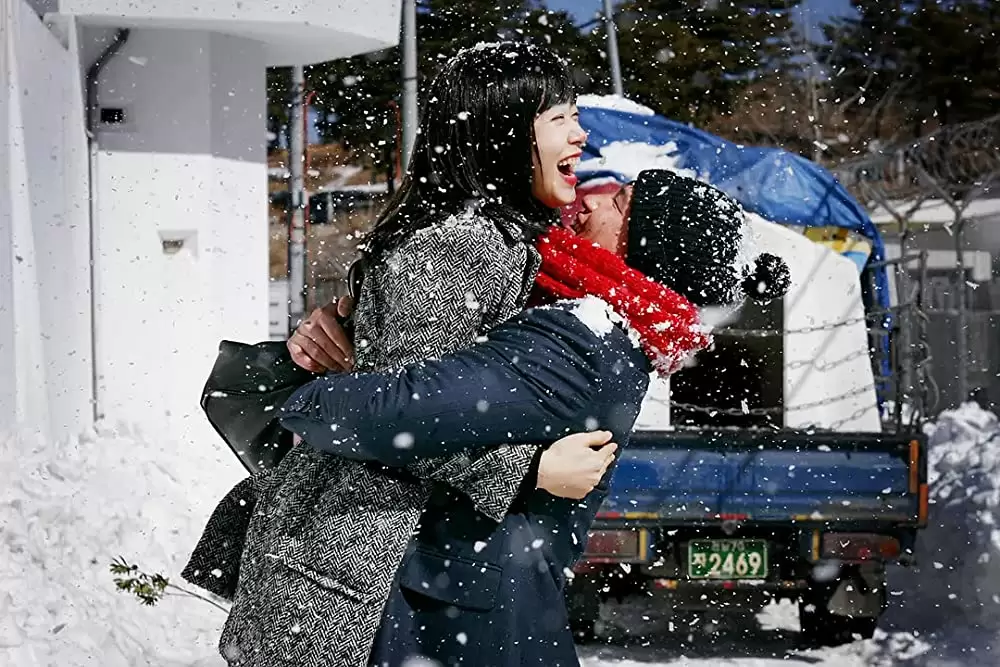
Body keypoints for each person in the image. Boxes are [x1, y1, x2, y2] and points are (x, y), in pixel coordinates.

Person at [185, 41, 612, 667]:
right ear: (501, 130)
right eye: (559, 118)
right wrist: (527, 470)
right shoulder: (464, 245)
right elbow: (399, 413)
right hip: (359, 563)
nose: (580, 135)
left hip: (386, 559)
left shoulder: (488, 237)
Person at [279, 169, 791, 667]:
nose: (591, 200)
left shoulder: (583, 341)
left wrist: (313, 388)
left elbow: (391, 413)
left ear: (648, 250)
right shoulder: (585, 318)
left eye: (619, 204)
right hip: (480, 611)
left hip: (470, 622)